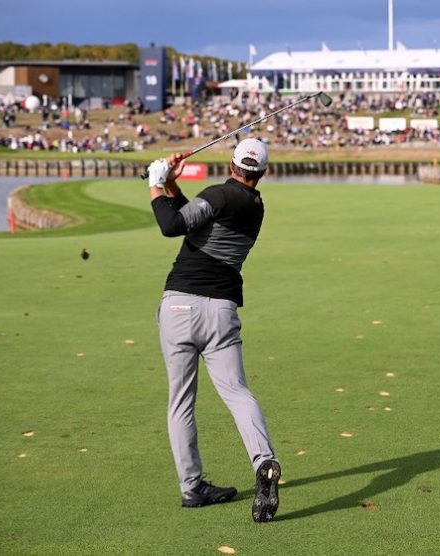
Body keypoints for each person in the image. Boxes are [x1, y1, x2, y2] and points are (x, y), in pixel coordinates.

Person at [146, 138, 281, 523]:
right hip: (220, 311)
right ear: (263, 172)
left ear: (232, 162)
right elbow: (197, 217)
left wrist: (156, 183)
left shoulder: (218, 195)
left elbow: (173, 225)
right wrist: (172, 185)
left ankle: (192, 487)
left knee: (181, 401)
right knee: (237, 392)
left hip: (179, 306)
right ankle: (264, 459)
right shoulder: (253, 206)